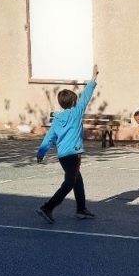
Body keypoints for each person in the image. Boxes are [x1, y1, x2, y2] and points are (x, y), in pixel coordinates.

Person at [36, 65, 99, 223]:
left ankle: (81, 209)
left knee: (77, 180)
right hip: (73, 153)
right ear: (73, 102)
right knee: (70, 182)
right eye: (76, 101)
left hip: (63, 156)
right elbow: (86, 96)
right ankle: (47, 207)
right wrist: (93, 78)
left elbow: (49, 137)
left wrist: (41, 153)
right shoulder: (76, 113)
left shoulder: (57, 119)